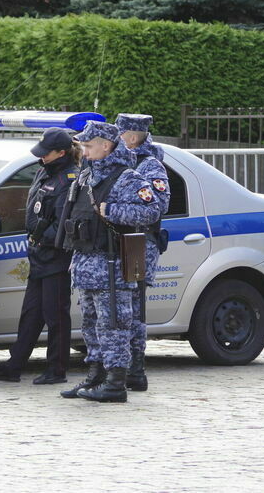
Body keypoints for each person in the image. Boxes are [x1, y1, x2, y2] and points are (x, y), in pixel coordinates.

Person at [58, 120, 160, 403]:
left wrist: (112, 210)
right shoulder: (87, 175)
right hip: (86, 264)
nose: (84, 151)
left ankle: (115, 383)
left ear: (106, 145)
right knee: (91, 325)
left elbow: (151, 210)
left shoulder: (127, 178)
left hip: (111, 267)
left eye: (88, 146)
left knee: (114, 326)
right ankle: (95, 376)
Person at [0, 128, 80, 384]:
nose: (42, 157)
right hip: (39, 254)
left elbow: (63, 224)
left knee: (55, 315)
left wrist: (41, 237)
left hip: (56, 256)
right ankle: (14, 365)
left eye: (46, 153)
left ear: (61, 153)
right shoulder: (44, 171)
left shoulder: (69, 179)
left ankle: (56, 369)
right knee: (31, 314)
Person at [115, 113, 171, 392]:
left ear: (133, 137)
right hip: (120, 242)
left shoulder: (149, 165)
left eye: (120, 133)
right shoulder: (119, 159)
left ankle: (135, 368)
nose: (117, 137)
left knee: (135, 309)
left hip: (140, 244)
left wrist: (114, 211)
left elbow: (157, 207)